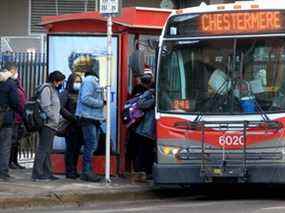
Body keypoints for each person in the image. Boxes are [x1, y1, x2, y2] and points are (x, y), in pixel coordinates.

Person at [32, 71, 65, 181]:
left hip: (51, 124)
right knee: (43, 149)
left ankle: (47, 173)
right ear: (55, 80)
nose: (62, 83)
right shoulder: (47, 89)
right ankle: (37, 173)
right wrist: (55, 118)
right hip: (47, 124)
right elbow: (45, 106)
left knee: (47, 149)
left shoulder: (53, 89)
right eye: (61, 81)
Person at [76, 61, 104, 182]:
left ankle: (87, 170)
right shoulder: (90, 81)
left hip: (92, 117)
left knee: (92, 144)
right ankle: (87, 171)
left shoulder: (92, 81)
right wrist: (100, 103)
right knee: (90, 144)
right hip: (88, 117)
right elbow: (85, 98)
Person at [60, 73, 83, 179]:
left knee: (77, 149)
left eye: (79, 81)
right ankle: (69, 171)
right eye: (76, 81)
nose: (78, 84)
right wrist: (71, 117)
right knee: (70, 148)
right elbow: (61, 108)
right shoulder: (65, 93)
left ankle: (74, 169)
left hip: (80, 124)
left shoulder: (81, 93)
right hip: (70, 124)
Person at [3, 62, 26, 170]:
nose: (17, 73)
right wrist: (22, 112)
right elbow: (15, 102)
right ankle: (6, 166)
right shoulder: (10, 83)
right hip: (11, 116)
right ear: (11, 71)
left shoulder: (15, 82)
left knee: (14, 141)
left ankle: (13, 161)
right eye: (16, 71)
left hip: (14, 116)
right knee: (9, 142)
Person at [134, 69, 156, 180]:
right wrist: (154, 101)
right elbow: (140, 104)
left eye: (149, 76)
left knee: (148, 151)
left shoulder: (154, 92)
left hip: (151, 129)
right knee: (143, 151)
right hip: (145, 128)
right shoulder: (149, 92)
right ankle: (141, 172)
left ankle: (147, 172)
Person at [0, 67, 19, 180]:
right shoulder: (11, 83)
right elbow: (15, 102)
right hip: (5, 118)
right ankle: (3, 173)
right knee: (5, 146)